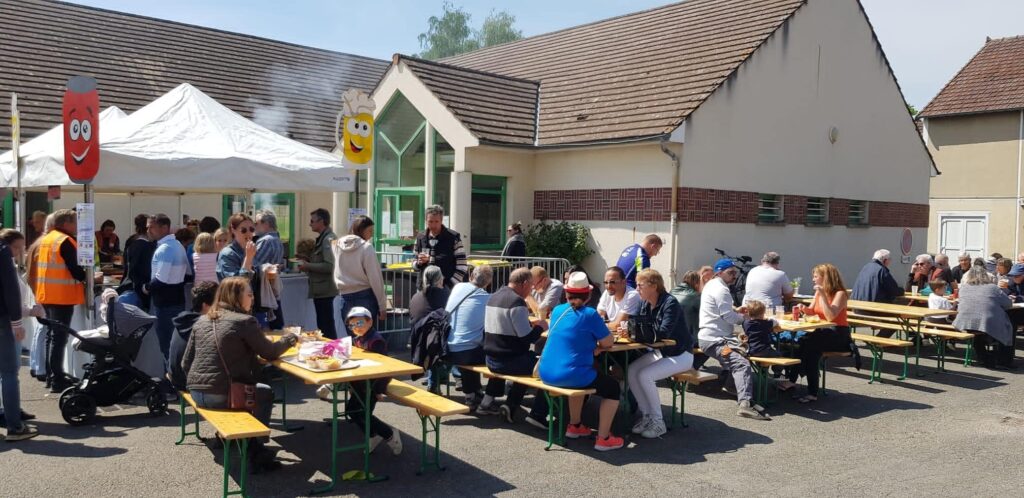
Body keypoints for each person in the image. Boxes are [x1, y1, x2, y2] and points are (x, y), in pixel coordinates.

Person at [182, 276, 298, 472]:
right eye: (249, 294)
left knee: (252, 388)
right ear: (236, 297)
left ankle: (244, 442)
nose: (252, 299)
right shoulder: (245, 321)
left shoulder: (203, 319)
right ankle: (255, 450)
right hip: (220, 394)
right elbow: (269, 352)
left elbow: (185, 362)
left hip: (196, 392)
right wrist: (290, 339)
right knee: (264, 392)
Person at [538, 272, 624, 451]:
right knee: (612, 388)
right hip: (571, 373)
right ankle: (603, 438)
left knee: (581, 381)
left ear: (566, 293)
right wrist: (599, 344)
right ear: (589, 295)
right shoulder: (590, 314)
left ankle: (575, 425)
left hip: (546, 372)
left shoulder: (557, 311)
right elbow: (608, 342)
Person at [626, 269, 696, 439]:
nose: (637, 289)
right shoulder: (644, 303)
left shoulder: (670, 303)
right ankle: (647, 416)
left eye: (640, 285)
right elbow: (636, 324)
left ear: (653, 286)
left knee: (645, 375)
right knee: (631, 371)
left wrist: (638, 331)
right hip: (661, 351)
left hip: (681, 354)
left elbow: (663, 332)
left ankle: (658, 422)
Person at [477, 268, 550, 428]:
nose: (531, 290)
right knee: (544, 367)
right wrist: (541, 327)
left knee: (528, 361)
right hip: (508, 361)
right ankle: (536, 413)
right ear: (524, 283)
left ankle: (502, 404)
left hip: (490, 358)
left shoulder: (494, 297)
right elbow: (527, 338)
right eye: (531, 286)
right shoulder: (517, 302)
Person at [697, 258, 769, 420]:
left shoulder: (713, 285)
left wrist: (736, 309)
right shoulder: (721, 290)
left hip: (713, 337)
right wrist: (745, 317)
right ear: (719, 273)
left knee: (741, 355)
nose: (734, 276)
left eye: (735, 272)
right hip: (715, 339)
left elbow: (720, 310)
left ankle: (732, 387)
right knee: (741, 364)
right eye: (730, 273)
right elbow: (728, 317)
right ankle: (745, 404)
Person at [35, 209, 87, 393]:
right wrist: (88, 277)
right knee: (59, 338)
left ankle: (52, 376)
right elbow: (76, 269)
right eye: (75, 222)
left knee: (52, 337)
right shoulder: (64, 241)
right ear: (66, 224)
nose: (77, 226)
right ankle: (57, 378)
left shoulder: (48, 239)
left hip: (48, 294)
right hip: (61, 296)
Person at [343, 307, 403, 455]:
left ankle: (389, 434)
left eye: (360, 323)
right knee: (352, 411)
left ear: (370, 322)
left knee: (363, 413)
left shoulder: (376, 341)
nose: (356, 327)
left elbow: (384, 369)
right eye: (352, 325)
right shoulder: (358, 340)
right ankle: (373, 436)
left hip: (372, 385)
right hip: (360, 383)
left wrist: (377, 390)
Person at [789, 264, 853, 402]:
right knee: (801, 343)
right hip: (822, 332)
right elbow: (812, 310)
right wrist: (803, 308)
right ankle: (793, 381)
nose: (813, 279)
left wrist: (823, 295)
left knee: (811, 348)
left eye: (816, 276)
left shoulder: (840, 293)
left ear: (826, 278)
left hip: (838, 334)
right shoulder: (819, 293)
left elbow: (831, 316)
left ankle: (811, 391)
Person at [0, 230, 40, 440]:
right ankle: (15, 426)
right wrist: (17, 323)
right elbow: (10, 292)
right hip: (4, 321)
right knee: (8, 373)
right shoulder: (3, 253)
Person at [444, 264, 493, 409]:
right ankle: (487, 400)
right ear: (488, 282)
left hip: (446, 348)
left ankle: (471, 394)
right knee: (499, 356)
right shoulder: (487, 299)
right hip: (465, 353)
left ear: (471, 276)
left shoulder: (458, 287)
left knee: (469, 341)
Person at [332, 215, 386, 337]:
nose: (371, 235)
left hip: (344, 297)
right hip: (364, 296)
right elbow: (375, 278)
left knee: (353, 336)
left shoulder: (337, 246)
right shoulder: (366, 248)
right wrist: (382, 305)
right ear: (361, 230)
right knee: (367, 338)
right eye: (370, 231)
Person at [954, 266, 1015, 370]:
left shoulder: (963, 288)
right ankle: (1003, 360)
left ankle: (983, 357)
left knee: (978, 326)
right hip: (986, 323)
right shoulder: (992, 288)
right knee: (1008, 326)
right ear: (985, 275)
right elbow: (1008, 304)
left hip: (964, 322)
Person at [146, 214, 189, 360]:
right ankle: (175, 380)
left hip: (165, 304)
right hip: (177, 301)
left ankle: (171, 381)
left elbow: (161, 280)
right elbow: (188, 274)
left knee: (168, 347)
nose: (148, 230)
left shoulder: (165, 249)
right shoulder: (178, 246)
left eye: (151, 227)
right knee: (175, 346)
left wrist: (145, 288)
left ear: (164, 228)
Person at [168, 281, 217, 391]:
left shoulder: (184, 319)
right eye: (218, 303)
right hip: (189, 382)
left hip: (175, 377)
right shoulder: (204, 324)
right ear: (205, 306)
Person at [299, 208, 339, 338]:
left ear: (321, 221)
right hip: (321, 289)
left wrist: (308, 266)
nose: (310, 224)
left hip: (325, 290)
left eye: (312, 221)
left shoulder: (328, 240)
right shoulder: (324, 239)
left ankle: (332, 350)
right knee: (323, 325)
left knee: (326, 326)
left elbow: (330, 266)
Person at [741, 301, 795, 390]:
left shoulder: (746, 324)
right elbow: (775, 322)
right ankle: (777, 373)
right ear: (763, 313)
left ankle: (762, 370)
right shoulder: (765, 324)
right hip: (764, 349)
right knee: (779, 355)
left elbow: (746, 320)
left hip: (751, 351)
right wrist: (767, 318)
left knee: (766, 355)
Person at [26, 213, 54, 381]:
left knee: (40, 330)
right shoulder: (43, 243)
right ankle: (40, 368)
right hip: (42, 291)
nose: (34, 224)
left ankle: (36, 366)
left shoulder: (38, 242)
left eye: (37, 222)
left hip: (39, 290)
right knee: (43, 330)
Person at [412, 204, 467, 289]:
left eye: (436, 221)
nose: (433, 225)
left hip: (447, 288)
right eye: (430, 222)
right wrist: (418, 263)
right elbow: (413, 264)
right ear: (426, 221)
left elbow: (462, 266)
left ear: (441, 221)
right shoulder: (420, 237)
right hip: (423, 289)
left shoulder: (453, 238)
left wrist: (450, 286)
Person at [252, 210, 286, 330]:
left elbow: (254, 264)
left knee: (264, 328)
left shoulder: (265, 240)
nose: (254, 227)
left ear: (265, 223)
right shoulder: (277, 240)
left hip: (263, 290)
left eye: (256, 223)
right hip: (272, 289)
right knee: (276, 326)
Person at [120, 214, 156, 310]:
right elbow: (146, 270)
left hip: (128, 285)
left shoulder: (132, 243)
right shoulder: (148, 246)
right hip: (141, 291)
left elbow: (126, 264)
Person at [596, 266, 640, 332]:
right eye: (606, 282)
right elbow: (598, 316)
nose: (608, 286)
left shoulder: (632, 295)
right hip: (615, 334)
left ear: (624, 282)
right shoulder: (607, 293)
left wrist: (597, 326)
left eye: (612, 282)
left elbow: (619, 324)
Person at [216, 213, 257, 281]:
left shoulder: (249, 250)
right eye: (243, 230)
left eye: (251, 229)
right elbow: (237, 284)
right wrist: (248, 258)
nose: (248, 233)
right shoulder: (227, 254)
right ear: (233, 230)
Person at [670, 270, 702, 342]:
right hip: (689, 339)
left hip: (671, 337)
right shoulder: (696, 296)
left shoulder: (671, 292)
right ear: (697, 283)